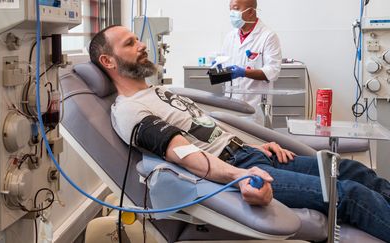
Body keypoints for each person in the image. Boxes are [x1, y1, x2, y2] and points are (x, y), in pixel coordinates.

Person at [89, 25, 390, 242]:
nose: (141, 44)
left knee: (350, 168)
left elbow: (209, 132)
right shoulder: (130, 110)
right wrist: (238, 175)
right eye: (130, 43)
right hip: (240, 168)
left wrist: (261, 145)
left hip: (253, 154)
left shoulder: (159, 91)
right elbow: (187, 155)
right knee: (346, 194)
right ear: (108, 61)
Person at [222, 0, 282, 124]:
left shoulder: (268, 36)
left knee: (254, 142)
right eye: (230, 9)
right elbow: (225, 65)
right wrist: (216, 70)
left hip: (255, 110)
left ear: (250, 12)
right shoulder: (230, 37)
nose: (232, 13)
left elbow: (273, 71)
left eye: (236, 8)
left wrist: (244, 73)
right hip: (230, 108)